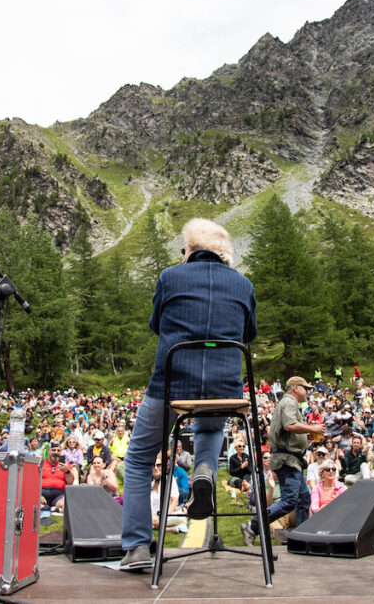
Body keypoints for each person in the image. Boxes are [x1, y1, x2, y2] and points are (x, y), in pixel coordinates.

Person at [120, 219, 257, 571]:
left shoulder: (170, 277)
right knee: (210, 428)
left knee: (137, 459)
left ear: (191, 249)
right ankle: (205, 471)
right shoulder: (243, 284)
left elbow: (156, 324)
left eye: (184, 250)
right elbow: (250, 332)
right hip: (225, 389)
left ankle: (136, 547)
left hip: (172, 385)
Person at [241, 376, 325, 546]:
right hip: (287, 461)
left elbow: (289, 431)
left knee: (303, 499)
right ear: (295, 388)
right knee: (289, 502)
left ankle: (302, 536)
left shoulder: (290, 403)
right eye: (305, 388)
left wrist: (306, 437)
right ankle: (253, 525)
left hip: (292, 460)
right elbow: (289, 426)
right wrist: (312, 428)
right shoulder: (289, 403)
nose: (307, 391)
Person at [40, 442, 74, 513]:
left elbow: (70, 482)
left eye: (58, 450)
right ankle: (51, 509)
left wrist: (67, 471)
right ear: (48, 451)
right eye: (53, 450)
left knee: (64, 505)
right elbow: (33, 481)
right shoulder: (41, 463)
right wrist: (38, 496)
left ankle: (50, 509)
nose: (56, 452)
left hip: (58, 494)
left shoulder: (65, 464)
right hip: (42, 493)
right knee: (36, 502)